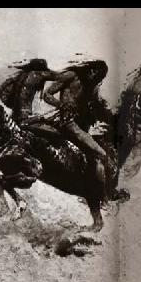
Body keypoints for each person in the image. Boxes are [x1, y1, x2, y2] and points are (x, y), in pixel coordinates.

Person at [42, 60, 110, 199]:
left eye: (99, 77)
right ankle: (104, 196)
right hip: (69, 123)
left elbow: (91, 106)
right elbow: (47, 94)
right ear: (90, 69)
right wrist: (61, 105)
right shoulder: (71, 75)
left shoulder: (91, 86)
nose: (95, 77)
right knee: (102, 154)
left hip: (81, 125)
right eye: (95, 73)